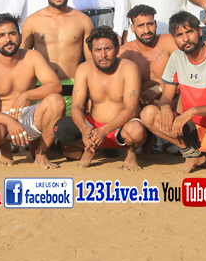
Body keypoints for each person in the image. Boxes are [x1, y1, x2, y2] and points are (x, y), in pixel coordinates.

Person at [139, 11, 206, 175]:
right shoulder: (176, 58)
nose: (186, 38)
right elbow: (166, 96)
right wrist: (166, 108)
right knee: (148, 114)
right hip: (192, 128)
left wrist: (193, 111)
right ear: (174, 39)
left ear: (200, 31)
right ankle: (192, 155)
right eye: (179, 35)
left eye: (189, 32)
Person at [0, 13, 65, 168]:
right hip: (0, 120)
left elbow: (55, 85)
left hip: (29, 115)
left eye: (12, 33)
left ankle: (41, 153)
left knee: (56, 101)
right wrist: (8, 121)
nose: (8, 39)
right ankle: (5, 148)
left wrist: (26, 95)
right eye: (1, 35)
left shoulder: (33, 57)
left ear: (20, 36)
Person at [55, 27, 146, 171]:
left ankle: (130, 153)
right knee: (61, 127)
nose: (103, 55)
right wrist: (84, 128)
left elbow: (131, 109)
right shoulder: (84, 69)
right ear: (90, 52)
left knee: (137, 131)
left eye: (108, 49)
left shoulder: (129, 68)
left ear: (117, 49)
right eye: (98, 50)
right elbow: (76, 106)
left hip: (121, 128)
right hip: (93, 128)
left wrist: (104, 130)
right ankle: (90, 148)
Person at [21, 0, 94, 125]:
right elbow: (23, 62)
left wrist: (92, 96)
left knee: (69, 137)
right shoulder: (32, 22)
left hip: (74, 87)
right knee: (42, 135)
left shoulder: (83, 21)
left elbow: (90, 62)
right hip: (43, 87)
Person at [119, 4, 177, 105]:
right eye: (140, 26)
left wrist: (158, 89)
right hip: (142, 104)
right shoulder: (125, 52)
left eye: (149, 24)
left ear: (155, 24)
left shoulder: (169, 42)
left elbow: (188, 72)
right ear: (132, 28)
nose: (146, 30)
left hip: (173, 98)